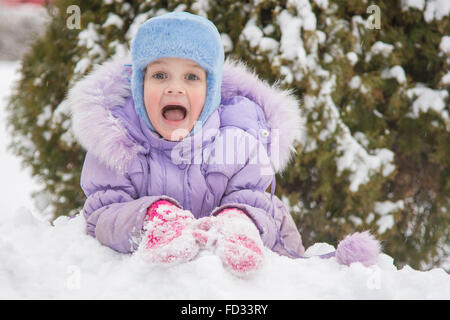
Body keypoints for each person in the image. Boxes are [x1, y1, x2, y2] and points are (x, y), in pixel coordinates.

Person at [68, 12, 379, 276]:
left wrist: (239, 221)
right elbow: (101, 214)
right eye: (160, 75)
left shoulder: (239, 140)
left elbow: (262, 206)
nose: (175, 88)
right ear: (138, 86)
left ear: (211, 91)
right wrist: (153, 217)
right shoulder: (117, 142)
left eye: (191, 77)